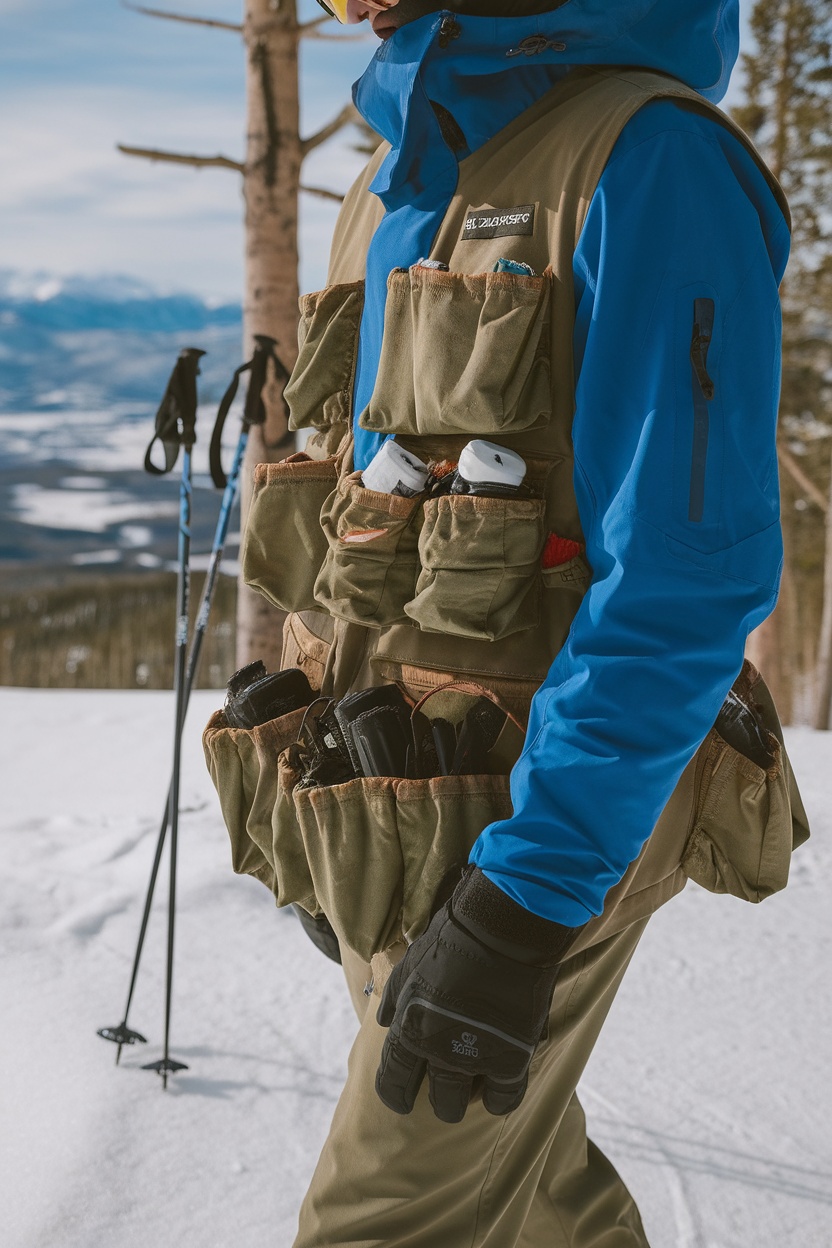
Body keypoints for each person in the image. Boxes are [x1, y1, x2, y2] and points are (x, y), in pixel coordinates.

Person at [223, 1, 808, 1243]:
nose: (353, 8)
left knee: (384, 1218)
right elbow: (364, 511)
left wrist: (526, 903)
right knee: (534, 1194)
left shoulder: (648, 161)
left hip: (537, 826)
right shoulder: (389, 182)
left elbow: (682, 581)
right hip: (388, 804)